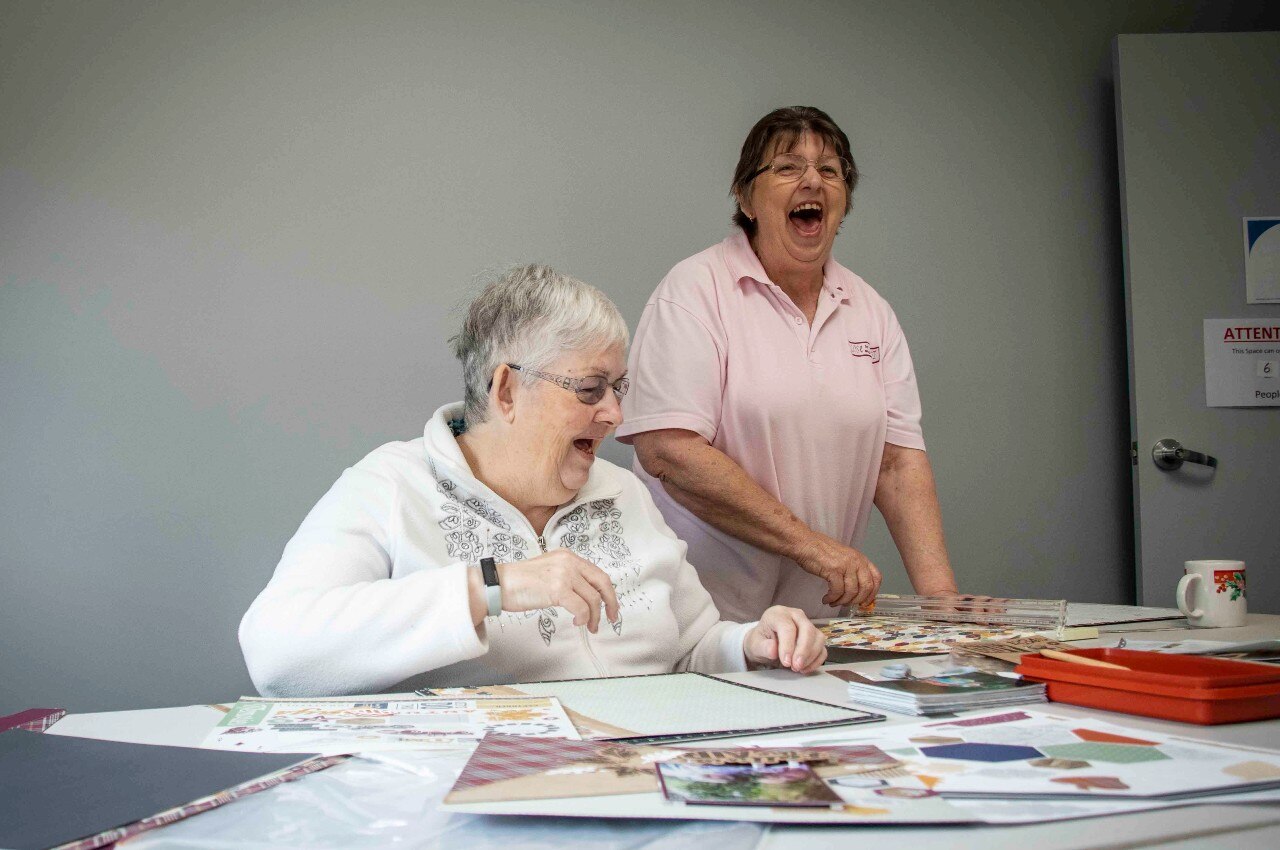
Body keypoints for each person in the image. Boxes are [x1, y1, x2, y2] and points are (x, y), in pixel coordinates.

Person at [240, 264, 826, 698]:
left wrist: (750, 645)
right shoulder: (390, 485)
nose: (615, 414)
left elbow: (691, 648)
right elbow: (275, 652)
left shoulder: (623, 492)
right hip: (477, 789)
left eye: (618, 389)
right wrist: (492, 587)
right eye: (590, 389)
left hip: (642, 776)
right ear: (507, 391)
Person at [617, 106, 962, 623]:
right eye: (787, 167)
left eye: (830, 170)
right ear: (745, 198)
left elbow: (896, 466)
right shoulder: (693, 292)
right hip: (698, 624)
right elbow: (670, 451)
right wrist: (811, 546)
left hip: (814, 626)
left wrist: (944, 606)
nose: (813, 181)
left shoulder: (871, 312)